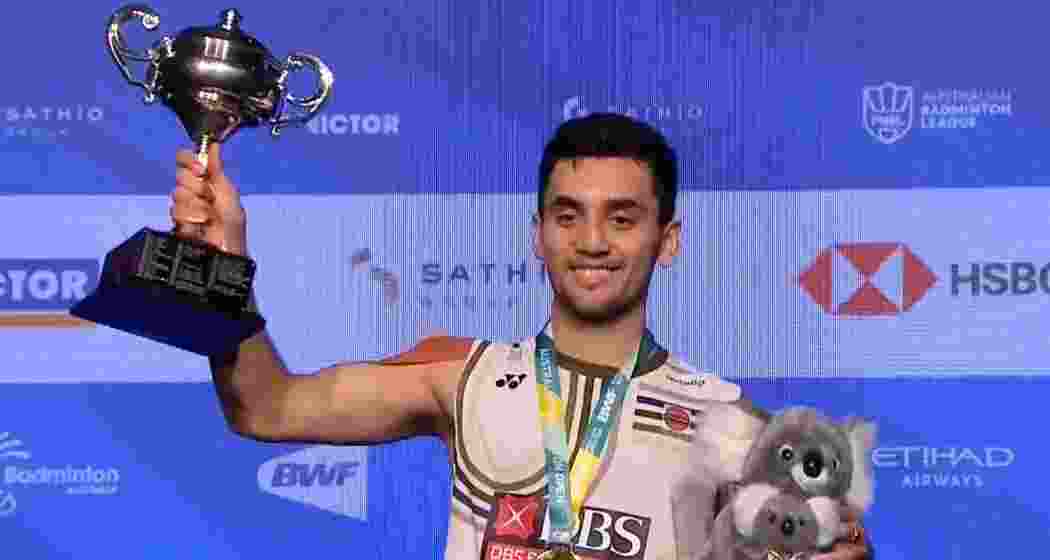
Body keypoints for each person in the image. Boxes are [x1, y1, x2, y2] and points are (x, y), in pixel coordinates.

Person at [170, 113, 871, 560]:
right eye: (568, 216)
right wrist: (223, 265)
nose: (592, 241)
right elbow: (265, 407)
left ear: (669, 240)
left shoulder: (732, 424)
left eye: (623, 219)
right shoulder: (459, 374)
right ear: (537, 234)